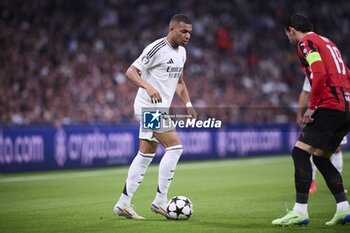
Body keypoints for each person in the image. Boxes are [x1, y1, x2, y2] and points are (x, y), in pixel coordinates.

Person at [113, 14, 197, 220]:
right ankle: (160, 201)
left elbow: (179, 82)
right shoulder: (157, 48)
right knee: (175, 147)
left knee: (145, 155)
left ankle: (123, 203)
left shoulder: (182, 53)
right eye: (183, 31)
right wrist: (148, 86)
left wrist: (188, 104)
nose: (187, 36)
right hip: (148, 107)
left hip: (160, 109)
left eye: (190, 33)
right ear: (172, 29)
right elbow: (131, 72)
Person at [272, 13, 350, 226]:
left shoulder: (306, 43)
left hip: (329, 106)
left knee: (299, 153)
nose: (288, 38)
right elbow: (346, 73)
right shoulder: (328, 42)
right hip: (345, 108)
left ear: (291, 30)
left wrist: (312, 107)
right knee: (321, 158)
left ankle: (300, 212)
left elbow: (319, 73)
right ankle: (343, 209)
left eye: (287, 34)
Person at [297, 77, 346, 193]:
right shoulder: (314, 69)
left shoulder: (338, 70)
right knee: (312, 147)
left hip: (337, 112)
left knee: (336, 149)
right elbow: (305, 91)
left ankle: (337, 183)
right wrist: (299, 113)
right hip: (319, 113)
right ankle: (312, 181)